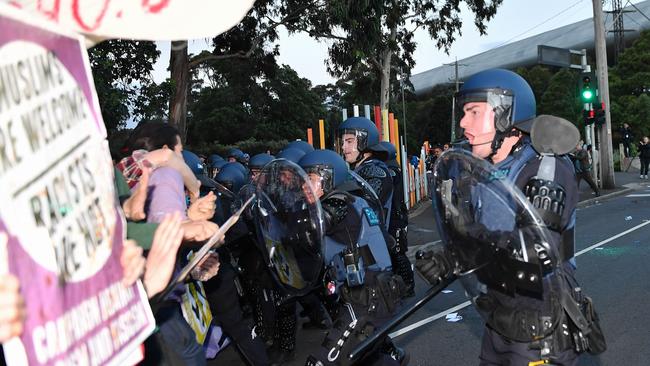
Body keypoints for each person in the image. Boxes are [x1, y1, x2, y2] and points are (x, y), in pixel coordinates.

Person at [416, 69, 604, 365]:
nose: (463, 123)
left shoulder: (547, 168)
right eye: (463, 113)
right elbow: (479, 232)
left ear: (506, 114)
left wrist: (461, 254)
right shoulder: (484, 173)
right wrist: (450, 254)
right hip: (499, 320)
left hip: (541, 327)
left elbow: (535, 250)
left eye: (474, 111)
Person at [298, 149, 408, 366]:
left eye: (310, 179)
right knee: (364, 357)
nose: (304, 187)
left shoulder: (338, 205)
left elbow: (319, 222)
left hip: (366, 301)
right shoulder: (352, 199)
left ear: (329, 177)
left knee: (323, 362)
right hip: (365, 294)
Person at [338, 117, 414, 300]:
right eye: (342, 142)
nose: (343, 147)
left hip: (372, 247)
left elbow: (363, 205)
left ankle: (406, 287)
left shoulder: (374, 171)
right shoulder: (358, 170)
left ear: (365, 141)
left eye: (349, 141)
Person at [379, 141, 415, 297]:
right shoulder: (390, 169)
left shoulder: (392, 170)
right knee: (392, 253)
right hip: (392, 216)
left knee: (398, 253)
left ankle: (408, 285)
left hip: (396, 217)